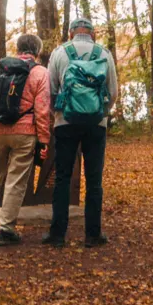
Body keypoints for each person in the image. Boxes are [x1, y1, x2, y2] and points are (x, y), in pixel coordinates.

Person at [0, 33, 50, 246]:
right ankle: (6, 230)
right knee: (15, 181)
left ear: (18, 49)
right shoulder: (40, 72)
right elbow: (42, 110)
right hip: (24, 132)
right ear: (37, 52)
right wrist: (44, 139)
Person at [43, 17, 117, 248]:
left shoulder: (59, 53)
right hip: (96, 124)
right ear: (92, 34)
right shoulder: (104, 53)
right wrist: (101, 113)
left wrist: (58, 113)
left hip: (65, 122)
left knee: (63, 178)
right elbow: (113, 92)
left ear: (70, 33)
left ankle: (57, 235)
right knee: (94, 179)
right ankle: (92, 235)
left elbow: (50, 90)